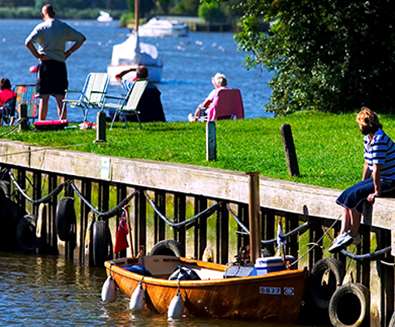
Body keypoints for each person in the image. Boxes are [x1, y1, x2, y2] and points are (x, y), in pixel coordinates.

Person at [328, 107, 395, 253]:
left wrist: (377, 191)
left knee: (355, 195)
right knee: (347, 194)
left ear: (368, 124)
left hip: (390, 180)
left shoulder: (379, 140)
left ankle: (353, 233)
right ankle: (344, 233)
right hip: (380, 177)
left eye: (361, 124)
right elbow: (367, 164)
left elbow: (377, 169)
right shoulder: (368, 139)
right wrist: (361, 183)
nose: (360, 127)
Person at [25, 3, 86, 121]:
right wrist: (68, 52)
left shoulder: (41, 27)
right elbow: (81, 38)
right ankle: (62, 122)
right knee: (60, 98)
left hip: (45, 65)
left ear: (44, 14)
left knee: (44, 97)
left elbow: (28, 42)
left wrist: (37, 55)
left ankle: (41, 123)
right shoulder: (63, 26)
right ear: (54, 13)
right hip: (60, 65)